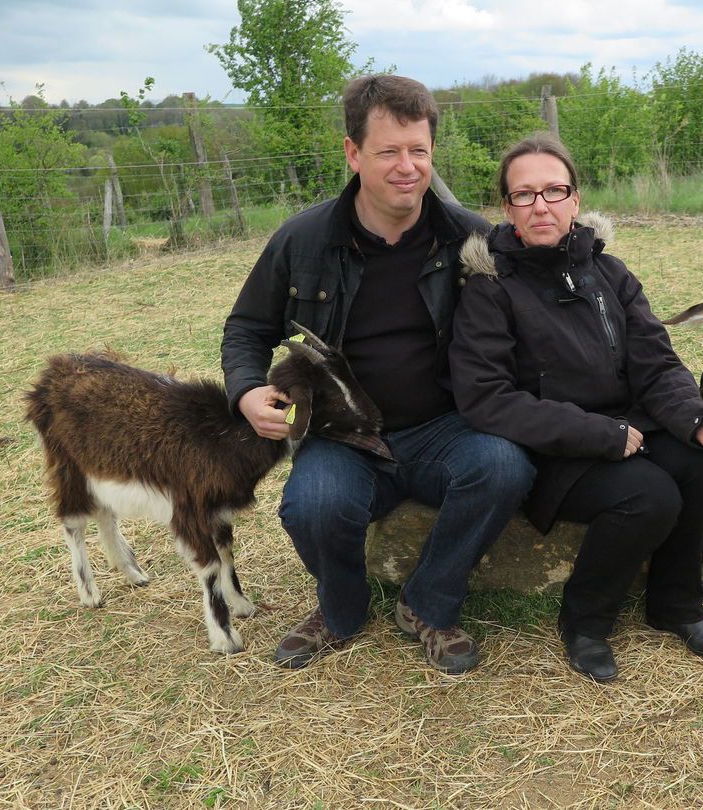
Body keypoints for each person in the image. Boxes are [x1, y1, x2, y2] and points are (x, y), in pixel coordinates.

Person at [222, 75, 535, 675]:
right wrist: (246, 390)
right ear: (353, 152)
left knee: (504, 466)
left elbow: (533, 311)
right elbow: (245, 329)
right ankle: (341, 609)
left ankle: (428, 605)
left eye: (418, 151)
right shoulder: (303, 239)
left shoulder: (469, 238)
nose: (407, 167)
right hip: (345, 436)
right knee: (312, 505)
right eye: (389, 151)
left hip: (447, 425)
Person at [449, 133, 703, 682]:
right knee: (650, 497)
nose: (540, 205)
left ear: (574, 199)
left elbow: (656, 364)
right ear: (507, 208)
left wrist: (696, 419)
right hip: (553, 450)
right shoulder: (489, 288)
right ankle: (586, 623)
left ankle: (677, 606)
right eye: (525, 195)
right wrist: (597, 433)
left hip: (629, 428)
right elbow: (486, 397)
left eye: (554, 190)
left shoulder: (608, 273)